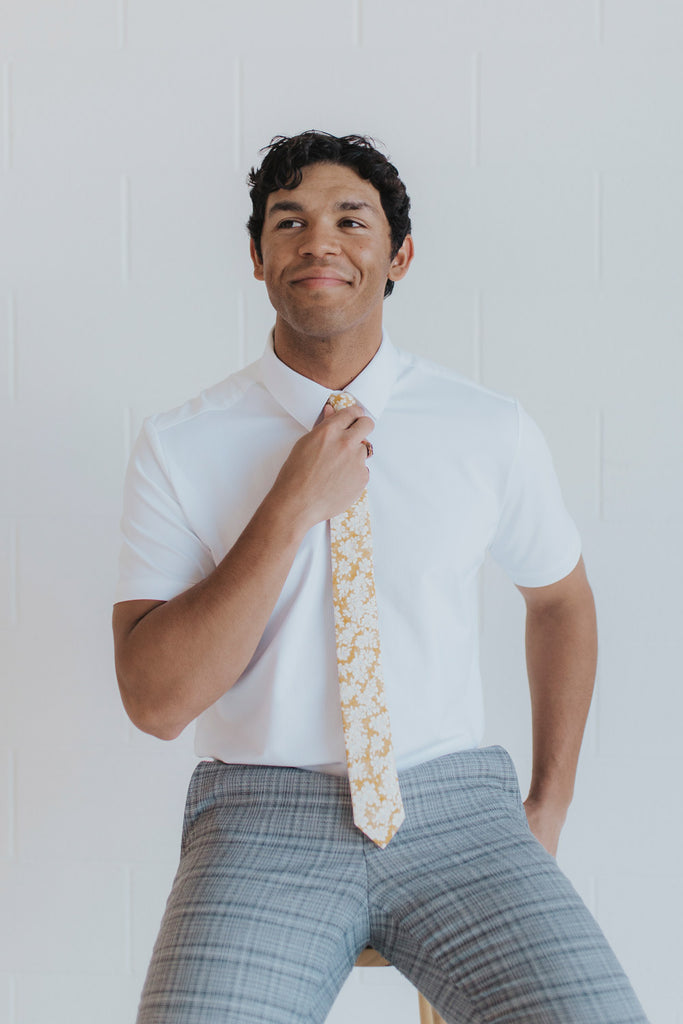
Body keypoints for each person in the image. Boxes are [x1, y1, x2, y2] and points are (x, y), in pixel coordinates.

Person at [113, 131, 647, 1023]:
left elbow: (558, 598)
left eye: (349, 220)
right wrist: (290, 504)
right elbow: (156, 703)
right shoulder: (180, 445)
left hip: (461, 815)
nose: (318, 241)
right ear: (256, 258)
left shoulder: (489, 428)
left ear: (397, 254)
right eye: (289, 222)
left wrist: (545, 807)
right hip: (259, 818)